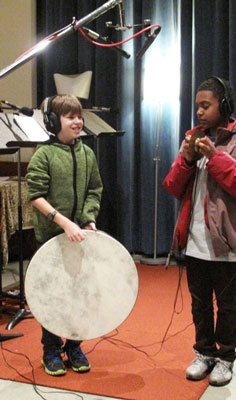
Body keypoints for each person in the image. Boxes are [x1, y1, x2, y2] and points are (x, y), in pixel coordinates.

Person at [163, 77, 236, 386]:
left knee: (227, 304)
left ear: (225, 105)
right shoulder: (193, 138)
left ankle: (225, 358)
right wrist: (187, 159)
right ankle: (204, 352)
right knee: (200, 303)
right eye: (197, 106)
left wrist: (215, 157)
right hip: (194, 240)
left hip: (227, 240)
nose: (199, 112)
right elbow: (171, 185)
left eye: (205, 105)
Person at [26, 94, 103, 376]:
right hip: (51, 239)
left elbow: (95, 189)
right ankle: (51, 349)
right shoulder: (44, 155)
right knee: (53, 296)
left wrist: (87, 219)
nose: (78, 122)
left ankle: (74, 346)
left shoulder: (87, 154)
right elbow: (35, 195)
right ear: (52, 121)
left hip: (79, 237)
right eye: (71, 117)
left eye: (79, 116)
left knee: (79, 293)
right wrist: (63, 223)